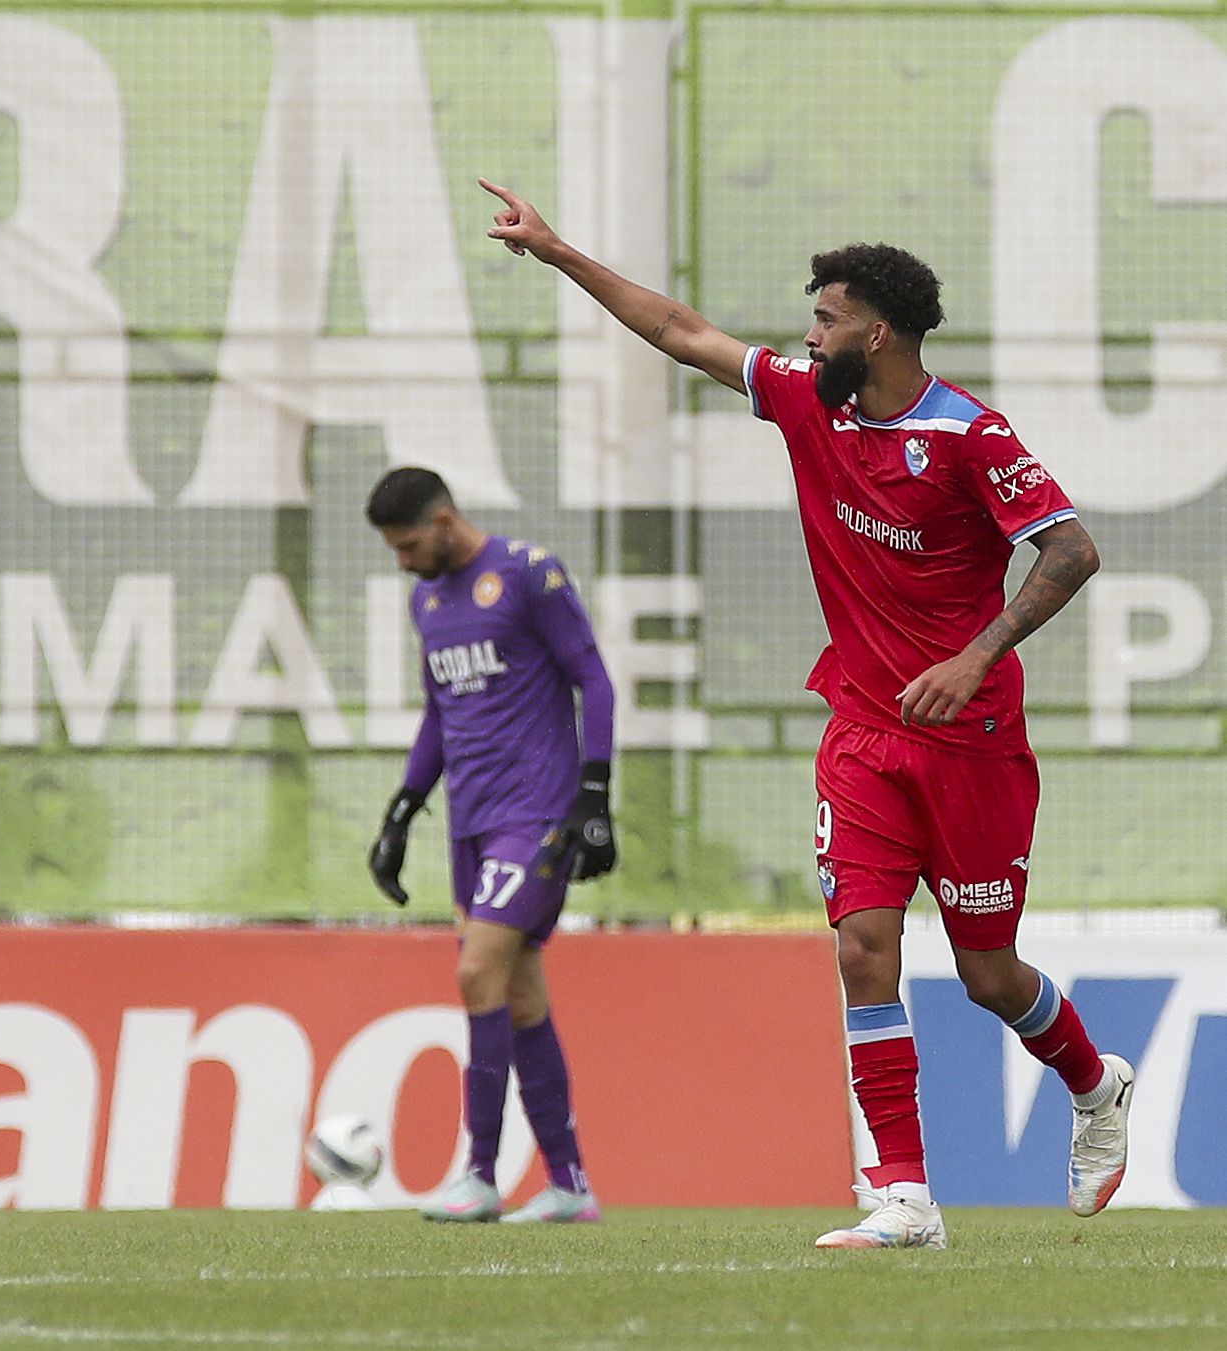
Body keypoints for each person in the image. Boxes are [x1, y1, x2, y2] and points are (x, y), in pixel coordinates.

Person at [477, 179, 1133, 1250]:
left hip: (971, 742)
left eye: (825, 318)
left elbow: (1072, 549)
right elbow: (679, 329)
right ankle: (905, 1195)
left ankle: (1094, 1084)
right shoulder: (806, 398)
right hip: (863, 733)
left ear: (878, 332)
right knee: (864, 949)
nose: (807, 334)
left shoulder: (969, 434)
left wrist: (975, 656)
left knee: (988, 975)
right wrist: (556, 251)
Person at [365, 467, 617, 1224]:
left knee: (476, 971)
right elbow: (439, 715)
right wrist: (402, 813)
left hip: (537, 815)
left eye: (410, 545)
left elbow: (594, 680)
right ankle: (569, 1184)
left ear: (445, 521)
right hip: (470, 824)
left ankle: (478, 1173)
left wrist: (595, 795)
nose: (403, 562)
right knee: (518, 992)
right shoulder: (427, 601)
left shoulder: (528, 574)